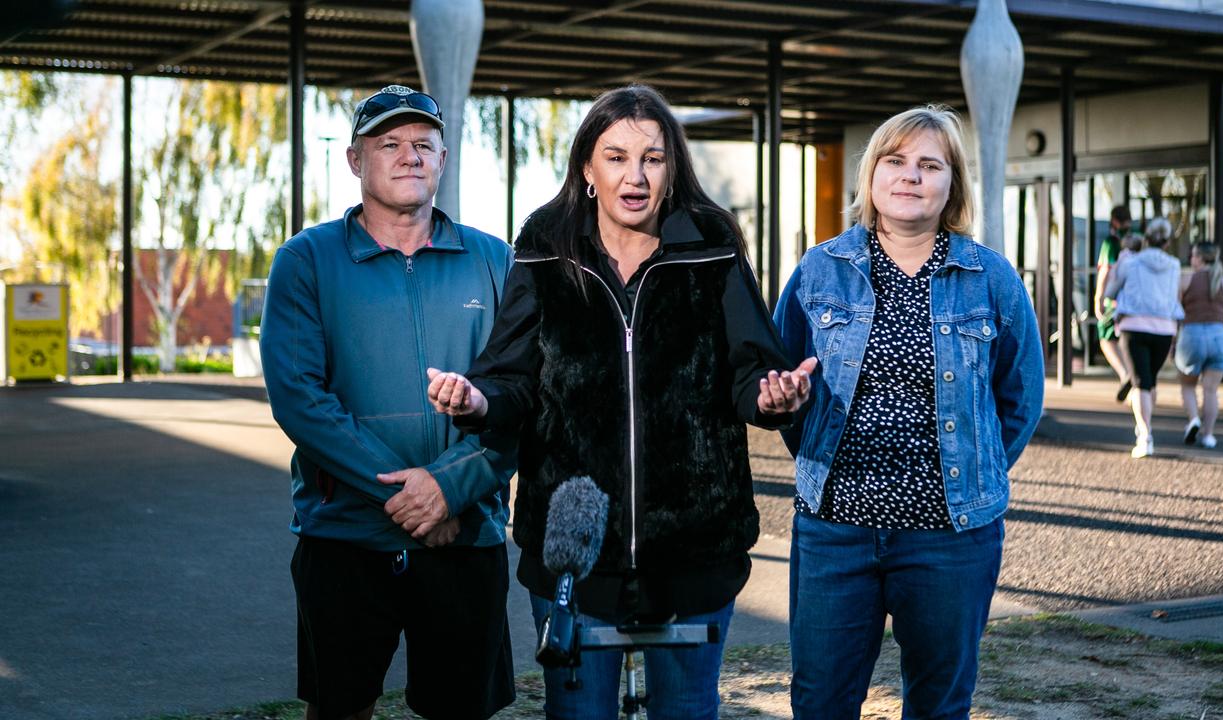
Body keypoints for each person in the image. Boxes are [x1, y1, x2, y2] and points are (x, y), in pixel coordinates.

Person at [426, 84, 815, 720]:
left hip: (695, 545)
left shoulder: (710, 244)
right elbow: (509, 377)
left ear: (672, 168)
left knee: (689, 708)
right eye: (616, 156)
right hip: (574, 550)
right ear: (587, 168)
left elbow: (753, 370)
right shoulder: (546, 249)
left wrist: (776, 396)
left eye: (653, 158)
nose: (635, 176)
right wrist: (475, 400)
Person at [772, 105, 1044, 719]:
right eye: (894, 161)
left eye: (929, 164)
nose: (910, 176)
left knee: (939, 706)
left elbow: (1020, 399)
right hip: (835, 529)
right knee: (819, 703)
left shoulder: (991, 278)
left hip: (951, 537)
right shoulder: (821, 269)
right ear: (871, 175)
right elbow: (785, 378)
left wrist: (975, 469)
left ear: (952, 185)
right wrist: (812, 445)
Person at [259, 85, 518, 720]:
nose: (409, 156)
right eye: (390, 144)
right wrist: (411, 495)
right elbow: (300, 399)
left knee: (461, 709)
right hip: (344, 541)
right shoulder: (307, 261)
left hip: (464, 538)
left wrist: (451, 490)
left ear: (444, 160)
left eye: (423, 145)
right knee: (340, 708)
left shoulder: (495, 260)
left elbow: (526, 396)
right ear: (355, 160)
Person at [1104, 216, 1184, 459]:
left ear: (1147, 239)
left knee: (1140, 383)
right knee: (1150, 380)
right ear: (1168, 242)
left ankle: (1145, 436)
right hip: (1164, 329)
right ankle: (1145, 426)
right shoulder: (1175, 265)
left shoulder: (1131, 263)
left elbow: (1110, 292)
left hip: (1134, 326)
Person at [1176, 242, 1223, 449]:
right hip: (1220, 337)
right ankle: (1208, 435)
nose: (1191, 259)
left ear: (1200, 258)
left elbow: (1176, 316)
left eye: (1193, 255)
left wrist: (1172, 344)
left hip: (1191, 336)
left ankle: (1194, 419)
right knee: (1211, 390)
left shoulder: (1185, 280)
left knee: (1188, 385)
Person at [1095, 205, 1134, 401]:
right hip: (1135, 299)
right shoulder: (1139, 237)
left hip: (1115, 300)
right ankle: (1135, 380)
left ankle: (1125, 374)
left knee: (1106, 338)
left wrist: (1098, 298)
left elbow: (1105, 272)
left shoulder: (1112, 242)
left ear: (1114, 221)